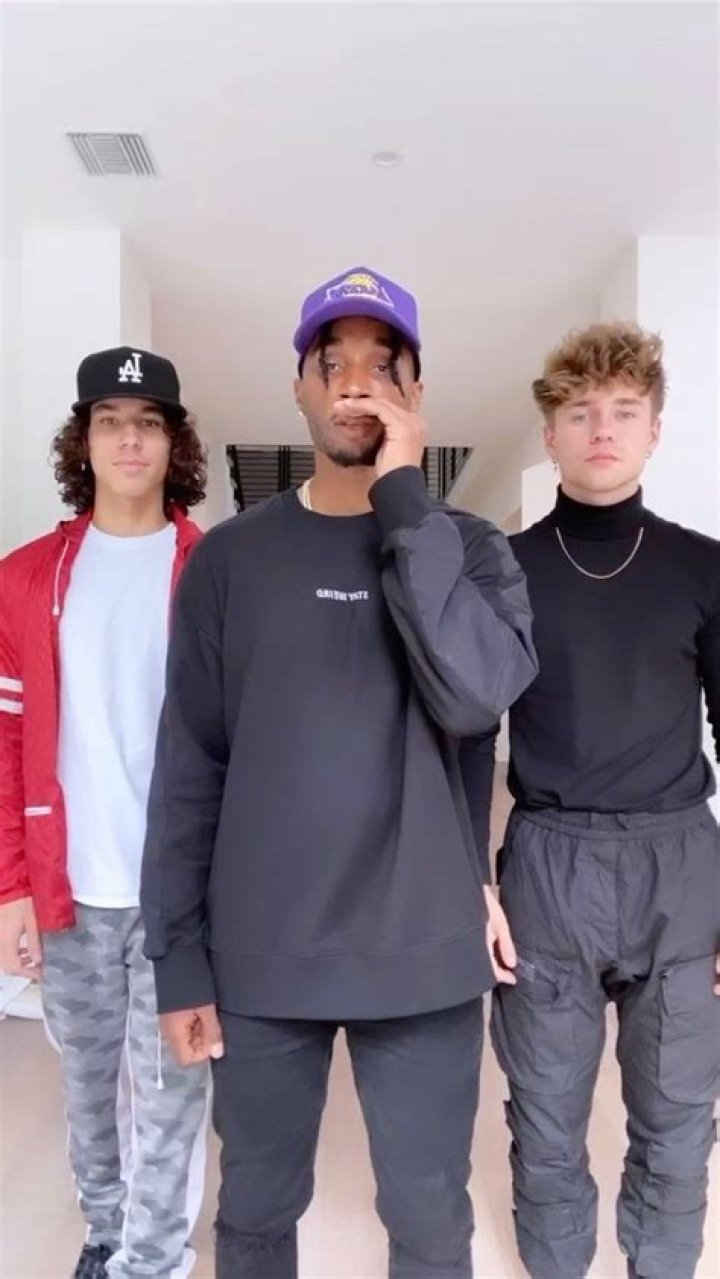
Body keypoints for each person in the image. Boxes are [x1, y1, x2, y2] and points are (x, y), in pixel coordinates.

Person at [140, 266, 538, 1279]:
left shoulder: (471, 551)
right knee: (256, 1209)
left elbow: (474, 696)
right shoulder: (231, 561)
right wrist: (178, 957)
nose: (356, 382)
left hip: (423, 948)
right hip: (262, 951)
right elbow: (190, 766)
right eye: (333, 363)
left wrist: (405, 501)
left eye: (382, 365)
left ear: (416, 393)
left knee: (428, 1216)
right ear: (300, 389)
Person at [489, 321, 720, 1279]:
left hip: (680, 866)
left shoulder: (704, 568)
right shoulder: (503, 569)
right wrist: (473, 881)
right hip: (549, 864)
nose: (602, 430)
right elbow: (461, 735)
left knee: (679, 1112)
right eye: (581, 412)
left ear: (654, 431)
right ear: (550, 433)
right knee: (545, 1113)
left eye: (624, 411)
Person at [0, 347, 211, 1279]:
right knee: (89, 1088)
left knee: (171, 1090)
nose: (130, 439)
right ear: (83, 441)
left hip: (179, 894)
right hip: (70, 890)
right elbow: (7, 743)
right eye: (110, 421)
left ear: (174, 442)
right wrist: (10, 886)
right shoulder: (26, 578)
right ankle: (104, 1230)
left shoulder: (213, 569)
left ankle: (153, 1258)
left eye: (149, 421)